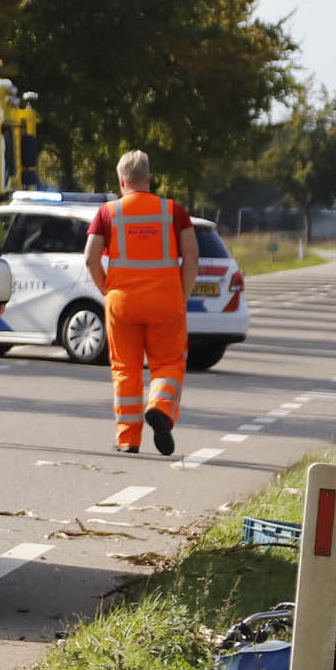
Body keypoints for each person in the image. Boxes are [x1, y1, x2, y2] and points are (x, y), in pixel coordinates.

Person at [82, 150, 197, 455]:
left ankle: (128, 439)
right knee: (169, 364)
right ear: (149, 178)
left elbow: (90, 257)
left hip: (122, 303)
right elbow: (192, 256)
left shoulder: (108, 212)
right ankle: (159, 407)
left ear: (121, 181)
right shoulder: (174, 211)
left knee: (125, 369)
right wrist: (182, 294)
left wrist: (107, 290)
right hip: (165, 301)